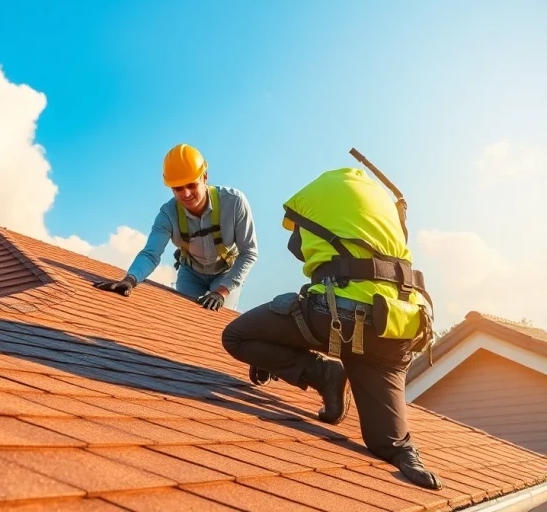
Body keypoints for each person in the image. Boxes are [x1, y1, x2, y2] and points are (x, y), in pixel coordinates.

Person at [220, 164, 442, 490]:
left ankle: (323, 373)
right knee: (388, 443)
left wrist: (273, 350)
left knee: (238, 335)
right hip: (396, 330)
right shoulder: (382, 214)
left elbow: (297, 248)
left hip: (340, 316)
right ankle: (406, 452)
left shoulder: (318, 198)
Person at [93, 144, 258, 311]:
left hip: (226, 273)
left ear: (205, 177)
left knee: (218, 319)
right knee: (187, 316)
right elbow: (151, 254)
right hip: (191, 274)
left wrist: (221, 292)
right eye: (178, 188)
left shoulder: (234, 202)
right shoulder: (167, 214)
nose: (186, 194)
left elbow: (249, 252)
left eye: (191, 185)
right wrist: (130, 280)